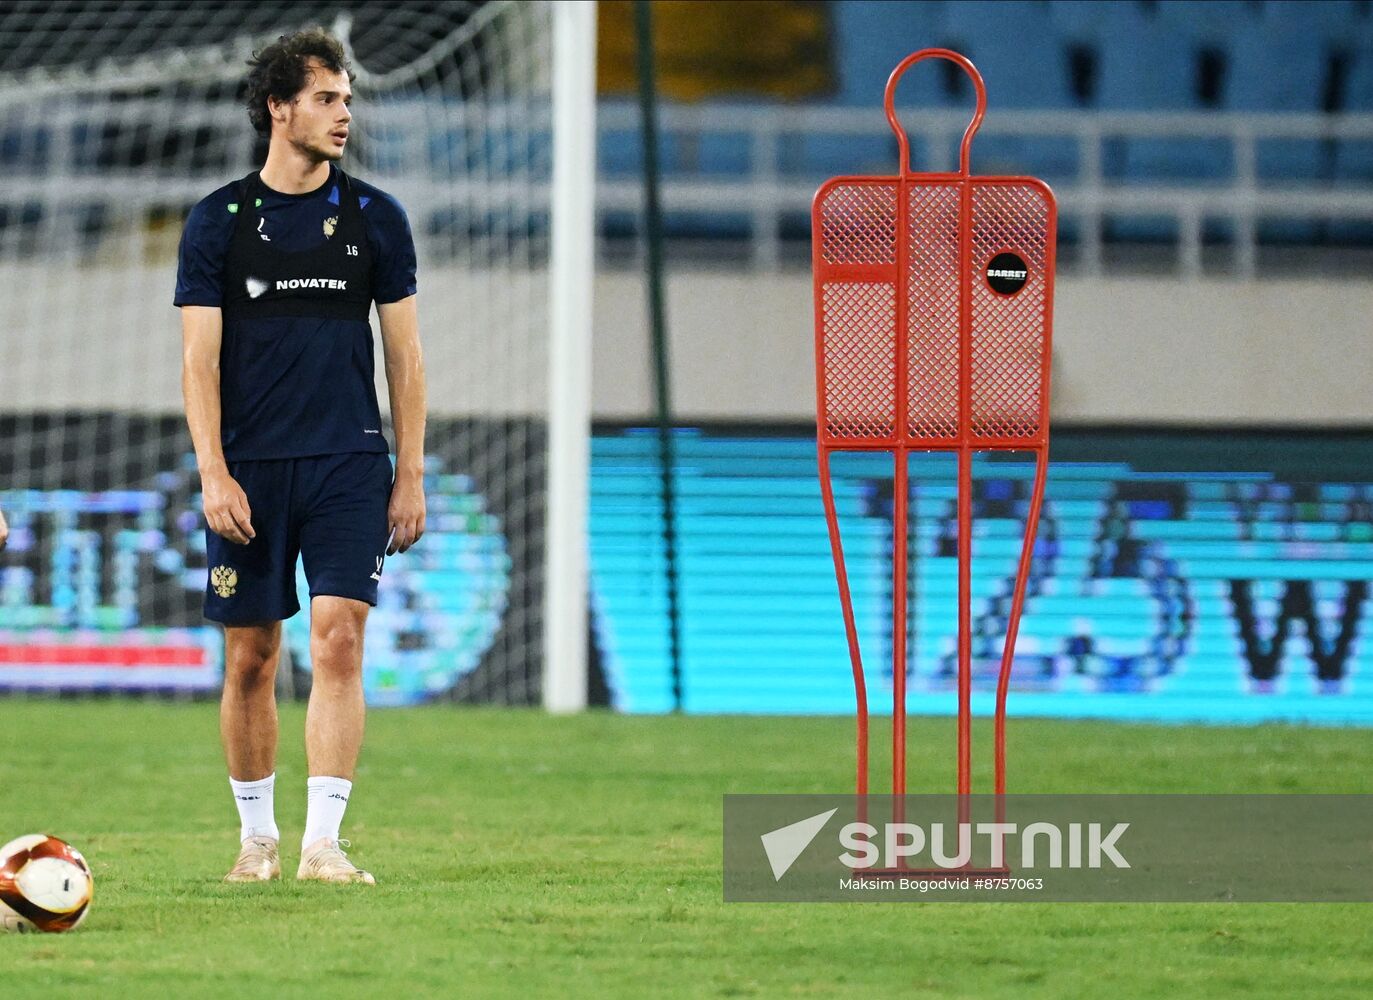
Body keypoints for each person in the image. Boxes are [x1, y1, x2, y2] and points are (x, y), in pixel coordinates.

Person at [175, 27, 426, 885]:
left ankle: (322, 841)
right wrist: (212, 470)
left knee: (340, 639)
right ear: (279, 109)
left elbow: (405, 359)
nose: (344, 113)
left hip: (348, 462)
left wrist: (410, 474)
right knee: (251, 657)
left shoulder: (375, 219)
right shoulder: (218, 220)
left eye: (347, 99)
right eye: (327, 98)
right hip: (249, 468)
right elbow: (198, 362)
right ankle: (258, 839)